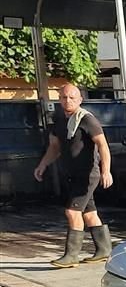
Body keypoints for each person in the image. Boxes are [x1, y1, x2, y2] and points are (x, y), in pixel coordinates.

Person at [33, 84, 114, 268]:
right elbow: (55, 147)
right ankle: (104, 250)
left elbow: (103, 145)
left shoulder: (87, 119)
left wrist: (106, 170)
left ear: (80, 100)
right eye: (64, 97)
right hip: (72, 174)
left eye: (72, 98)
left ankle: (71, 256)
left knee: (72, 212)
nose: (67, 101)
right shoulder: (59, 120)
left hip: (88, 174)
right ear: (59, 99)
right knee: (89, 213)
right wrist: (43, 164)